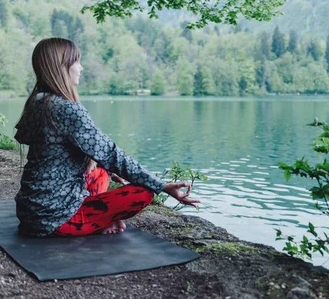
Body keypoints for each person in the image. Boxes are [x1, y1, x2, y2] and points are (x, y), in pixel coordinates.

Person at [14, 37, 199, 237]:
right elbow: (112, 154)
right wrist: (162, 186)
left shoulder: (38, 101)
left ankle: (98, 216)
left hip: (30, 210)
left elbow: (24, 136)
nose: (81, 68)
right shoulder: (66, 109)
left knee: (102, 170)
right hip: (55, 219)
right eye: (76, 61)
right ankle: (98, 222)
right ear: (61, 67)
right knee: (143, 193)